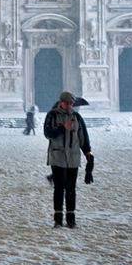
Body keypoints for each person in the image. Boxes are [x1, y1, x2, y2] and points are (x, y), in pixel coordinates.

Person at [43, 91, 93, 228]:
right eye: (67, 103)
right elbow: (47, 134)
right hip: (57, 157)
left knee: (71, 189)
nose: (70, 105)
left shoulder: (77, 117)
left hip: (73, 158)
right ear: (61, 102)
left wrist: (88, 154)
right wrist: (62, 127)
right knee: (59, 189)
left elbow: (83, 137)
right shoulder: (52, 115)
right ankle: (58, 220)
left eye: (72, 103)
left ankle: (71, 220)